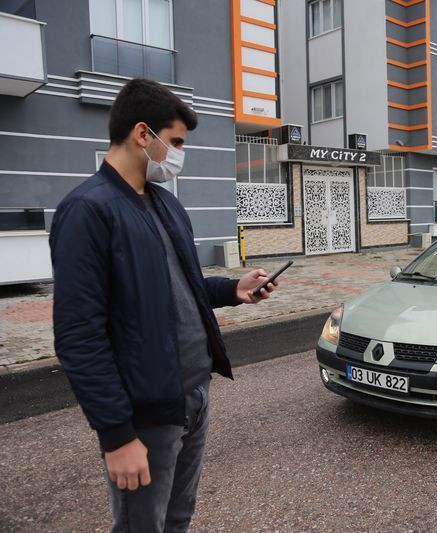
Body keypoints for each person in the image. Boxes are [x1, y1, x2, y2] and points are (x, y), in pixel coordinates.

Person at [49, 78, 276, 532]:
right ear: (141, 134)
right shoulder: (87, 211)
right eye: (174, 142)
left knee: (178, 518)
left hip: (193, 398)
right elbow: (78, 336)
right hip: (145, 414)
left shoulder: (165, 205)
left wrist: (232, 290)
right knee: (141, 526)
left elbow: (180, 284)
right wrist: (116, 435)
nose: (177, 155)